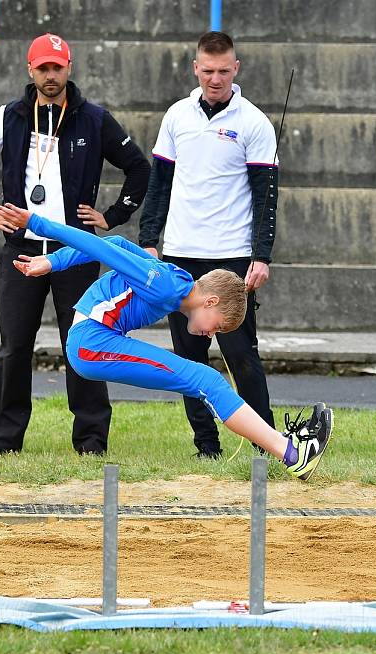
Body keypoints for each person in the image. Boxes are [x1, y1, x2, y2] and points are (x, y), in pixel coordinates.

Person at [0, 203, 333, 481]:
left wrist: (52, 261)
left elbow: (120, 245)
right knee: (207, 379)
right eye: (218, 327)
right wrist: (38, 224)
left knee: (205, 380)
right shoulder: (166, 286)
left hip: (96, 340)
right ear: (211, 302)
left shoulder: (178, 281)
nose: (212, 334)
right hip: (91, 344)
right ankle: (292, 454)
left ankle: (289, 450)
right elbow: (98, 245)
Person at [0, 33, 150, 456]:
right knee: (13, 347)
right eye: (42, 67)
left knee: (84, 343)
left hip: (75, 252)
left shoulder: (94, 119)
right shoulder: (9, 116)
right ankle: (3, 442)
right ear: (30, 70)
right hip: (21, 250)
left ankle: (92, 441)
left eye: (57, 67)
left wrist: (112, 216)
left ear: (69, 68)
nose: (50, 75)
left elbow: (139, 169)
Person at [138, 31, 278, 459]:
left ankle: (264, 442)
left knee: (240, 354)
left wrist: (261, 255)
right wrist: (149, 241)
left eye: (223, 71)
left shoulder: (253, 122)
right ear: (195, 68)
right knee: (188, 359)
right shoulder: (177, 115)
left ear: (236, 69)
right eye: (207, 70)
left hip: (232, 255)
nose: (215, 78)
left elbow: (266, 194)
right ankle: (206, 446)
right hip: (180, 251)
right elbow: (159, 182)